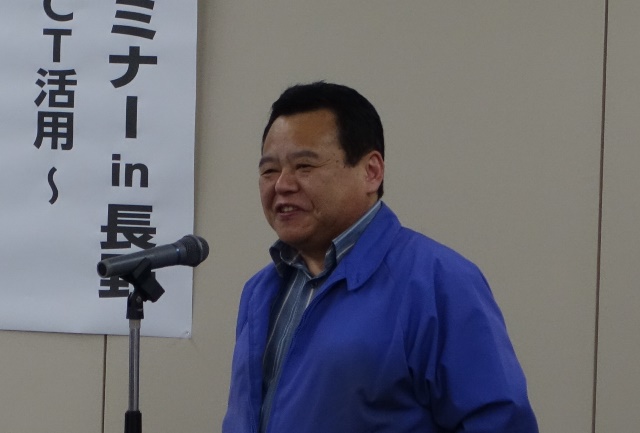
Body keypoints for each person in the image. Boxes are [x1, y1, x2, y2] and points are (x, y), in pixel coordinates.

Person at [222, 81, 538, 433]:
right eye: (269, 170)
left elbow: (499, 424)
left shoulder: (438, 281)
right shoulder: (259, 291)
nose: (282, 184)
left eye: (304, 166)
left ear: (371, 172)